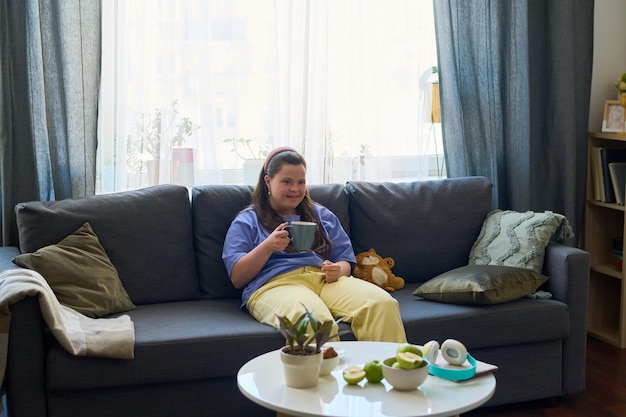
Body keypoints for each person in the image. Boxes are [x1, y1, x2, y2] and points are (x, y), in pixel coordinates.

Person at [222, 146, 407, 342]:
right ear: (268, 181)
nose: (296, 189)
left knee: (382, 303)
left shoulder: (321, 215)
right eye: (287, 181)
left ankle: (390, 371)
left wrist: (339, 270)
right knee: (313, 321)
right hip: (276, 284)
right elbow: (237, 278)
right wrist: (267, 246)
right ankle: (329, 373)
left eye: (301, 182)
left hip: (323, 279)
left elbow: (345, 260)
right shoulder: (247, 221)